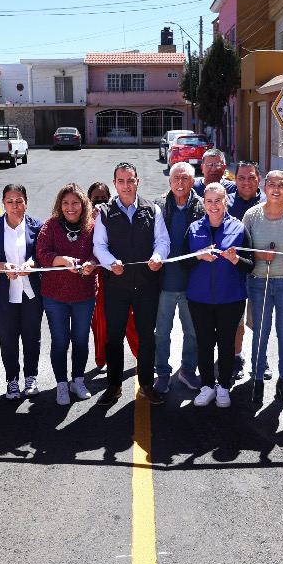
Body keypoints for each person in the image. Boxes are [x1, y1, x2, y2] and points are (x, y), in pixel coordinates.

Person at [93, 162, 171, 405]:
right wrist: (110, 263)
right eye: (121, 181)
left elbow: (162, 241)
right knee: (114, 337)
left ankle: (146, 384)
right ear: (115, 183)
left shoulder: (152, 210)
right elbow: (99, 246)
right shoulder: (105, 213)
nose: (126, 185)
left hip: (147, 285)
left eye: (130, 180)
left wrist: (158, 256)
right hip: (116, 286)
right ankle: (114, 385)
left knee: (147, 336)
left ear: (137, 181)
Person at [183, 183, 254, 407]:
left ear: (226, 201)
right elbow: (183, 263)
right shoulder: (194, 228)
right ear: (204, 203)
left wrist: (235, 259)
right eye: (209, 201)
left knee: (226, 345)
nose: (213, 205)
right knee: (204, 344)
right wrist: (198, 256)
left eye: (218, 200)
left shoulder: (239, 229)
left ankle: (223, 386)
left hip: (231, 298)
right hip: (199, 298)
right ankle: (207, 386)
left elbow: (250, 265)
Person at [243, 170, 283, 404]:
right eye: (271, 184)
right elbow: (244, 250)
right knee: (260, 332)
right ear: (264, 187)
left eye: (281, 185)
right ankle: (257, 379)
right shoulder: (251, 215)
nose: (276, 189)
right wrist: (261, 255)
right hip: (258, 281)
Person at [0, 184, 44, 401]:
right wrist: (1, 266)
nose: (14, 206)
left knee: (31, 337)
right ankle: (12, 380)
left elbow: (41, 254)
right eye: (10, 201)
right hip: (3, 293)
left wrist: (32, 263)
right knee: (8, 339)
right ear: (4, 203)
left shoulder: (37, 226)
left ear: (26, 202)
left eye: (19, 201)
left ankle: (31, 377)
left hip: (30, 293)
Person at [36, 183, 99, 405]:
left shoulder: (92, 226)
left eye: (75, 202)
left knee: (81, 340)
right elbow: (42, 254)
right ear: (59, 205)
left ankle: (78, 381)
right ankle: (61, 384)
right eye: (65, 203)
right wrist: (62, 260)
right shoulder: (51, 225)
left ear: (83, 204)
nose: (70, 207)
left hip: (84, 295)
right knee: (60, 341)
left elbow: (99, 252)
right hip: (55, 296)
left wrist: (91, 264)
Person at [153, 163, 204, 393]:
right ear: (169, 182)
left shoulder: (202, 207)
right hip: (163, 284)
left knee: (192, 333)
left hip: (192, 285)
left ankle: (188, 370)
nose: (180, 183)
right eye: (176, 178)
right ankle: (163, 373)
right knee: (161, 333)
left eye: (185, 178)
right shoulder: (158, 206)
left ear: (193, 181)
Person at [87, 182, 140, 372]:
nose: (99, 201)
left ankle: (141, 355)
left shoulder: (114, 214)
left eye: (103, 198)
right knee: (100, 321)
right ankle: (102, 358)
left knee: (130, 318)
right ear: (88, 200)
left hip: (120, 274)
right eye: (95, 198)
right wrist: (92, 220)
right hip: (98, 277)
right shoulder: (85, 218)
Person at [227, 160, 267, 379]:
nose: (246, 182)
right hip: (234, 272)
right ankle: (236, 356)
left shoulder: (269, 202)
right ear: (235, 180)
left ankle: (261, 358)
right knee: (237, 321)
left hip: (262, 272)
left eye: (251, 177)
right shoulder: (226, 202)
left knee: (260, 320)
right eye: (241, 177)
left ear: (259, 179)